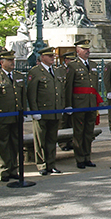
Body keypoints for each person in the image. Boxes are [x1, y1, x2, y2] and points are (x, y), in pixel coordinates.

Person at [0, 50, 26, 181]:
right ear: (2, 62)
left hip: (16, 116)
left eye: (13, 60)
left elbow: (22, 96)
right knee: (2, 144)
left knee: (15, 143)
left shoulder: (18, 76)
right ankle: (4, 170)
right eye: (9, 60)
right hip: (2, 117)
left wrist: (24, 111)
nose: (12, 62)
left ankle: (13, 168)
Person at [27, 47, 67, 175]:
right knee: (40, 140)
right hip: (42, 111)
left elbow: (60, 91)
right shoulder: (35, 72)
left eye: (53, 56)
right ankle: (42, 165)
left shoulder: (56, 71)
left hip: (54, 111)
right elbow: (32, 94)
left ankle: (51, 163)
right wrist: (34, 111)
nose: (52, 58)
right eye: (49, 56)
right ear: (42, 57)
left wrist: (61, 107)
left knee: (51, 139)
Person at [65, 39, 101, 168]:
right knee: (79, 132)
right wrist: (68, 104)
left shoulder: (93, 64)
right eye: (84, 49)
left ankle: (87, 156)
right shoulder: (73, 66)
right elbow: (68, 86)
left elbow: (95, 85)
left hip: (91, 103)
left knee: (89, 132)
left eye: (88, 49)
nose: (88, 51)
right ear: (78, 50)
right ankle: (79, 158)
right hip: (79, 103)